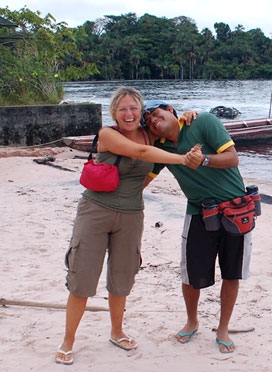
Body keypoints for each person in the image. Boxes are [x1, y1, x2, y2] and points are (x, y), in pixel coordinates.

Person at [55, 87, 195, 365]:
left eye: (133, 108)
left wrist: (188, 116)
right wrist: (182, 159)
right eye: (122, 109)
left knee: (122, 277)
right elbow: (142, 152)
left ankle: (116, 331)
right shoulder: (108, 135)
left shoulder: (149, 132)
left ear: (140, 111)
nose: (128, 114)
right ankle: (68, 340)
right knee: (82, 277)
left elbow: (170, 127)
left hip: (131, 215)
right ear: (114, 113)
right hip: (95, 211)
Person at [143, 100, 252, 354]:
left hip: (235, 209)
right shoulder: (161, 149)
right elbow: (142, 181)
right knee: (191, 274)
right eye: (148, 122)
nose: (153, 120)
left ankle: (223, 327)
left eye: (156, 114)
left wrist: (203, 160)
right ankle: (192, 321)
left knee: (231, 272)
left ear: (170, 110)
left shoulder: (202, 121)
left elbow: (232, 158)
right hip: (198, 212)